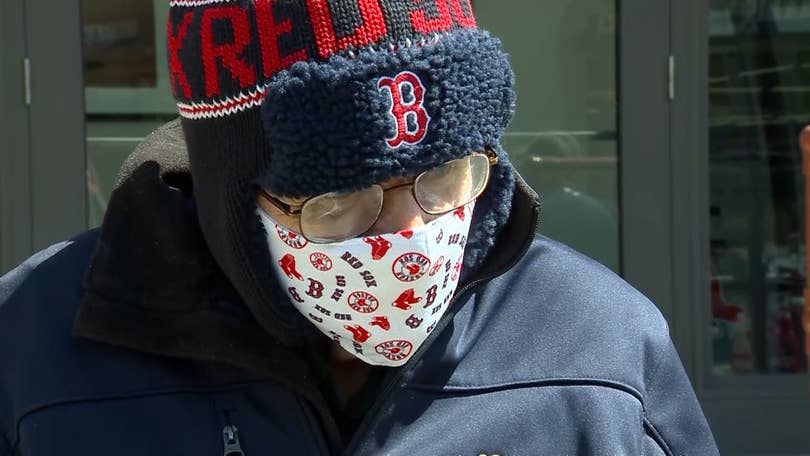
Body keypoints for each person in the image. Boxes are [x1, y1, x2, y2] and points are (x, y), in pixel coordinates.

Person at [0, 1, 718, 454]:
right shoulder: (34, 348)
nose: (411, 239)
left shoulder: (599, 346)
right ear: (230, 197)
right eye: (341, 200)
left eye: (444, 176)